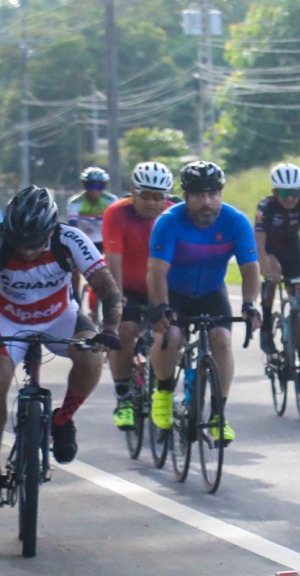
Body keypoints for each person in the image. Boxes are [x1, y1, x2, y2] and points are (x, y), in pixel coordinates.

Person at [0, 186, 123, 462]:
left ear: (51, 230)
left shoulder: (70, 238)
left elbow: (108, 289)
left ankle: (63, 419)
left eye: (35, 242)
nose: (27, 250)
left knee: (92, 358)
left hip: (60, 317)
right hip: (8, 320)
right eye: (20, 242)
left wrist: (110, 329)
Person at [145, 161, 261, 444]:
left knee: (222, 339)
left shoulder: (236, 222)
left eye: (213, 194)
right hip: (174, 293)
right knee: (170, 337)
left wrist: (250, 304)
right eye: (199, 195)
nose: (207, 202)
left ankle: (219, 414)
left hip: (211, 292)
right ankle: (163, 393)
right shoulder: (168, 222)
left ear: (220, 194)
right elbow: (156, 272)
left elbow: (250, 270)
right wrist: (161, 308)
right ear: (185, 196)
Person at [101, 162, 174, 428]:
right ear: (133, 191)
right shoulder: (117, 213)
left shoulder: (172, 214)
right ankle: (123, 397)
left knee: (171, 334)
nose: (153, 203)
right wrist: (116, 298)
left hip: (161, 287)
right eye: (146, 195)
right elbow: (113, 260)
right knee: (126, 330)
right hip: (128, 287)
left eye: (159, 196)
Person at [253, 162, 300, 402]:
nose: (290, 199)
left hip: (293, 252)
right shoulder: (266, 206)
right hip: (271, 250)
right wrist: (265, 270)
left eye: (295, 193)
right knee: (273, 273)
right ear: (275, 192)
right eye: (285, 193)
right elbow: (258, 241)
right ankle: (267, 323)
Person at [66, 166, 117, 250]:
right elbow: (72, 226)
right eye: (91, 186)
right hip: (84, 243)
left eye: (99, 187)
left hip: (106, 242)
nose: (95, 191)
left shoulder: (111, 200)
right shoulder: (75, 202)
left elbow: (117, 224)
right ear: (85, 186)